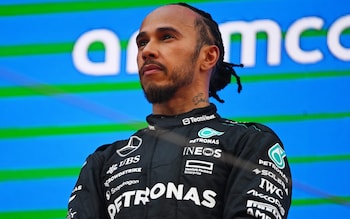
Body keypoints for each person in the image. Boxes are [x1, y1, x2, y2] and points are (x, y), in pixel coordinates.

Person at [67, 2, 292, 219]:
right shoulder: (103, 161)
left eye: (166, 37)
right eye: (142, 43)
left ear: (208, 57)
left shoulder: (248, 143)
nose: (148, 51)